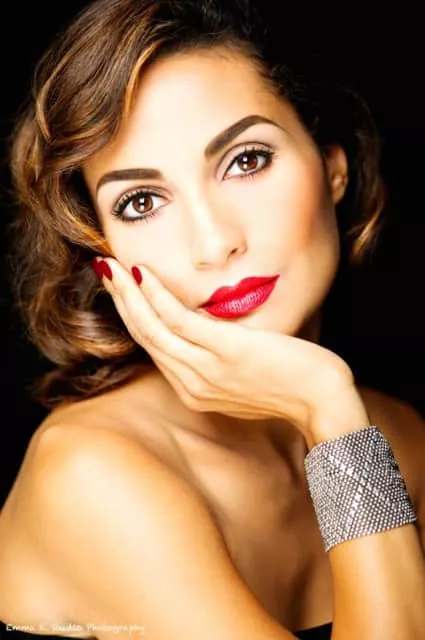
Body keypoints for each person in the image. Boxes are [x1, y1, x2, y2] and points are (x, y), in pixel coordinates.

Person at [1, 0, 425, 638]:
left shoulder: (401, 437)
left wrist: (335, 420)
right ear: (103, 251)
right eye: (142, 202)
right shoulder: (92, 473)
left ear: (333, 167)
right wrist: (331, 411)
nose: (213, 242)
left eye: (246, 161)